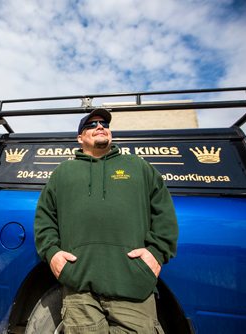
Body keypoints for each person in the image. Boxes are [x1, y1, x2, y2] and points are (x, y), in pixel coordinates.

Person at [34, 108, 178, 333]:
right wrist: (52, 253)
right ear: (80, 137)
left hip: (133, 285)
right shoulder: (63, 173)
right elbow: (44, 218)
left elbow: (164, 214)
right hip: (79, 286)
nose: (100, 126)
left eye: (104, 123)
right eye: (91, 125)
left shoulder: (139, 167)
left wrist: (157, 254)